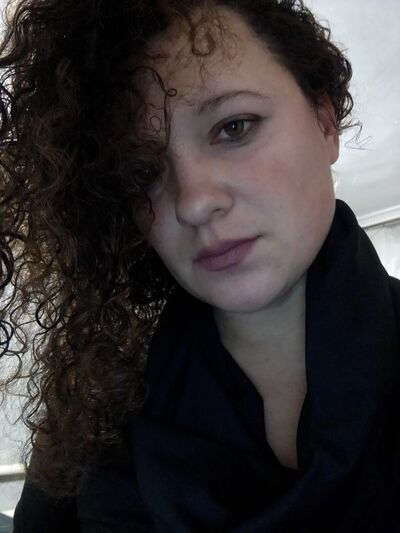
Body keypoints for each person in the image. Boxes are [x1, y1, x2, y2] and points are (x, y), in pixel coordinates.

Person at [0, 0, 399, 531]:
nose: (192, 202)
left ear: (325, 122)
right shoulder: (94, 410)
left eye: (234, 127)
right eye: (144, 171)